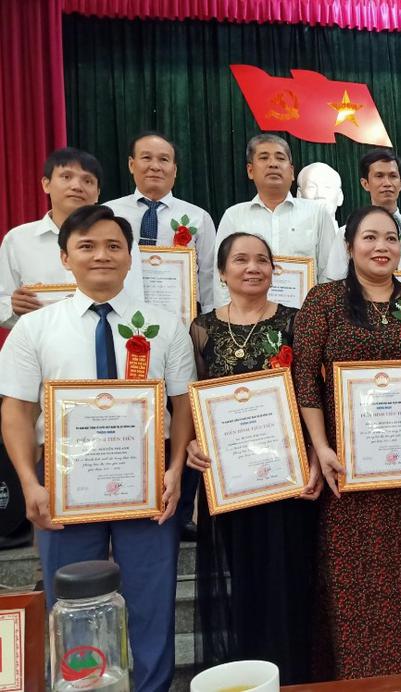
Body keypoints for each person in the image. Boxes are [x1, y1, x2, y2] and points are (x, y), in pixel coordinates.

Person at [0, 205, 196, 692]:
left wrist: (175, 469)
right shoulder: (34, 328)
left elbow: (182, 406)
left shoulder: (166, 326)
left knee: (151, 599)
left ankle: (152, 687)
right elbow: (16, 411)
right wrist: (29, 482)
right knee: (73, 604)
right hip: (63, 486)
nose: (101, 255)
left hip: (149, 482)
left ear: (130, 257)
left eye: (113, 246)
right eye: (86, 246)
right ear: (65, 258)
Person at [292, 205, 401, 679]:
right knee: (354, 582)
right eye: (370, 238)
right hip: (349, 471)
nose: (382, 247)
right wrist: (320, 447)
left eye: (391, 238)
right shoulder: (323, 301)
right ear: (349, 246)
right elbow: (305, 379)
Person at [184, 232, 321, 683]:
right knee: (245, 582)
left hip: (290, 479)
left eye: (262, 260)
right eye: (241, 260)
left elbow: (313, 394)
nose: (253, 268)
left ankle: (296, 677)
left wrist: (316, 457)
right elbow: (195, 401)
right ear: (222, 272)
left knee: (290, 580)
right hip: (233, 483)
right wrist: (194, 444)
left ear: (274, 270)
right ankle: (251, 679)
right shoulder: (202, 328)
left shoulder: (296, 322)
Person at [0, 147, 144, 328]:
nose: (76, 186)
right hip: (40, 338)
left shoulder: (120, 240)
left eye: (88, 180)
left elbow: (134, 300)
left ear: (98, 193)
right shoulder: (18, 239)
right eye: (66, 177)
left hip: (105, 337)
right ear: (46, 184)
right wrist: (12, 307)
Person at [214, 135, 346, 306]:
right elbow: (221, 276)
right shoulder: (234, 216)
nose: (273, 164)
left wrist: (318, 317)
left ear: (291, 172)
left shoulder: (317, 213)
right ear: (250, 170)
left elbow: (329, 274)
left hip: (305, 317)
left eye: (280, 158)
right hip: (247, 317)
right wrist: (228, 318)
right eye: (264, 158)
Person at [105, 130, 217, 311]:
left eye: (163, 159)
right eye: (146, 158)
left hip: (181, 316)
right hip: (119, 311)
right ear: (131, 164)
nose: (155, 166)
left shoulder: (199, 217)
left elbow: (208, 274)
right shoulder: (108, 213)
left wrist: (208, 317)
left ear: (175, 169)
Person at [358, 149, 401, 271]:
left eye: (393, 176)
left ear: (400, 184)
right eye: (379, 176)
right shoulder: (349, 233)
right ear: (365, 184)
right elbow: (337, 278)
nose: (387, 183)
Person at [297, 161, 344, 227]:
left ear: (340, 197)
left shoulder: (352, 233)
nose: (319, 194)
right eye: (311, 187)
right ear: (299, 195)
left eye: (327, 187)